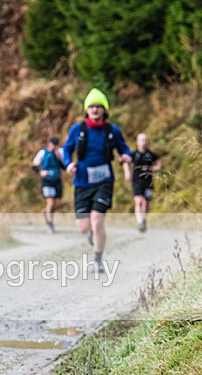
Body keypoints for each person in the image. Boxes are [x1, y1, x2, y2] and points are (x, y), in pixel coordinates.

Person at [62, 88, 132, 273]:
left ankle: (98, 259)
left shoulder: (112, 131)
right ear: (86, 110)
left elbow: (125, 149)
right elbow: (66, 150)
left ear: (104, 110)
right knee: (84, 227)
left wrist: (126, 156)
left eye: (98, 106)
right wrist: (68, 164)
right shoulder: (77, 129)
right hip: (82, 181)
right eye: (91, 106)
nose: (94, 110)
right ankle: (91, 235)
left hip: (104, 181)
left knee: (97, 220)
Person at [128, 133, 161, 233]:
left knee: (146, 204)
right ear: (137, 142)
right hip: (137, 181)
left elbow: (159, 164)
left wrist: (152, 168)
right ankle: (140, 222)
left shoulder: (150, 154)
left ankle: (144, 219)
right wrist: (128, 173)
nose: (143, 142)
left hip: (148, 182)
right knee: (139, 201)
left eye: (145, 140)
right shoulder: (134, 154)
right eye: (141, 140)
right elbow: (126, 162)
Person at [32, 137, 65, 233]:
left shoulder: (60, 152)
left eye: (55, 145)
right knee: (50, 202)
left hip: (57, 180)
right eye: (52, 145)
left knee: (55, 204)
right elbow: (34, 166)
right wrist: (40, 172)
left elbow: (64, 166)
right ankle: (50, 224)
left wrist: (59, 159)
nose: (53, 147)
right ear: (49, 144)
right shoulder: (43, 153)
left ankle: (46, 212)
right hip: (47, 181)